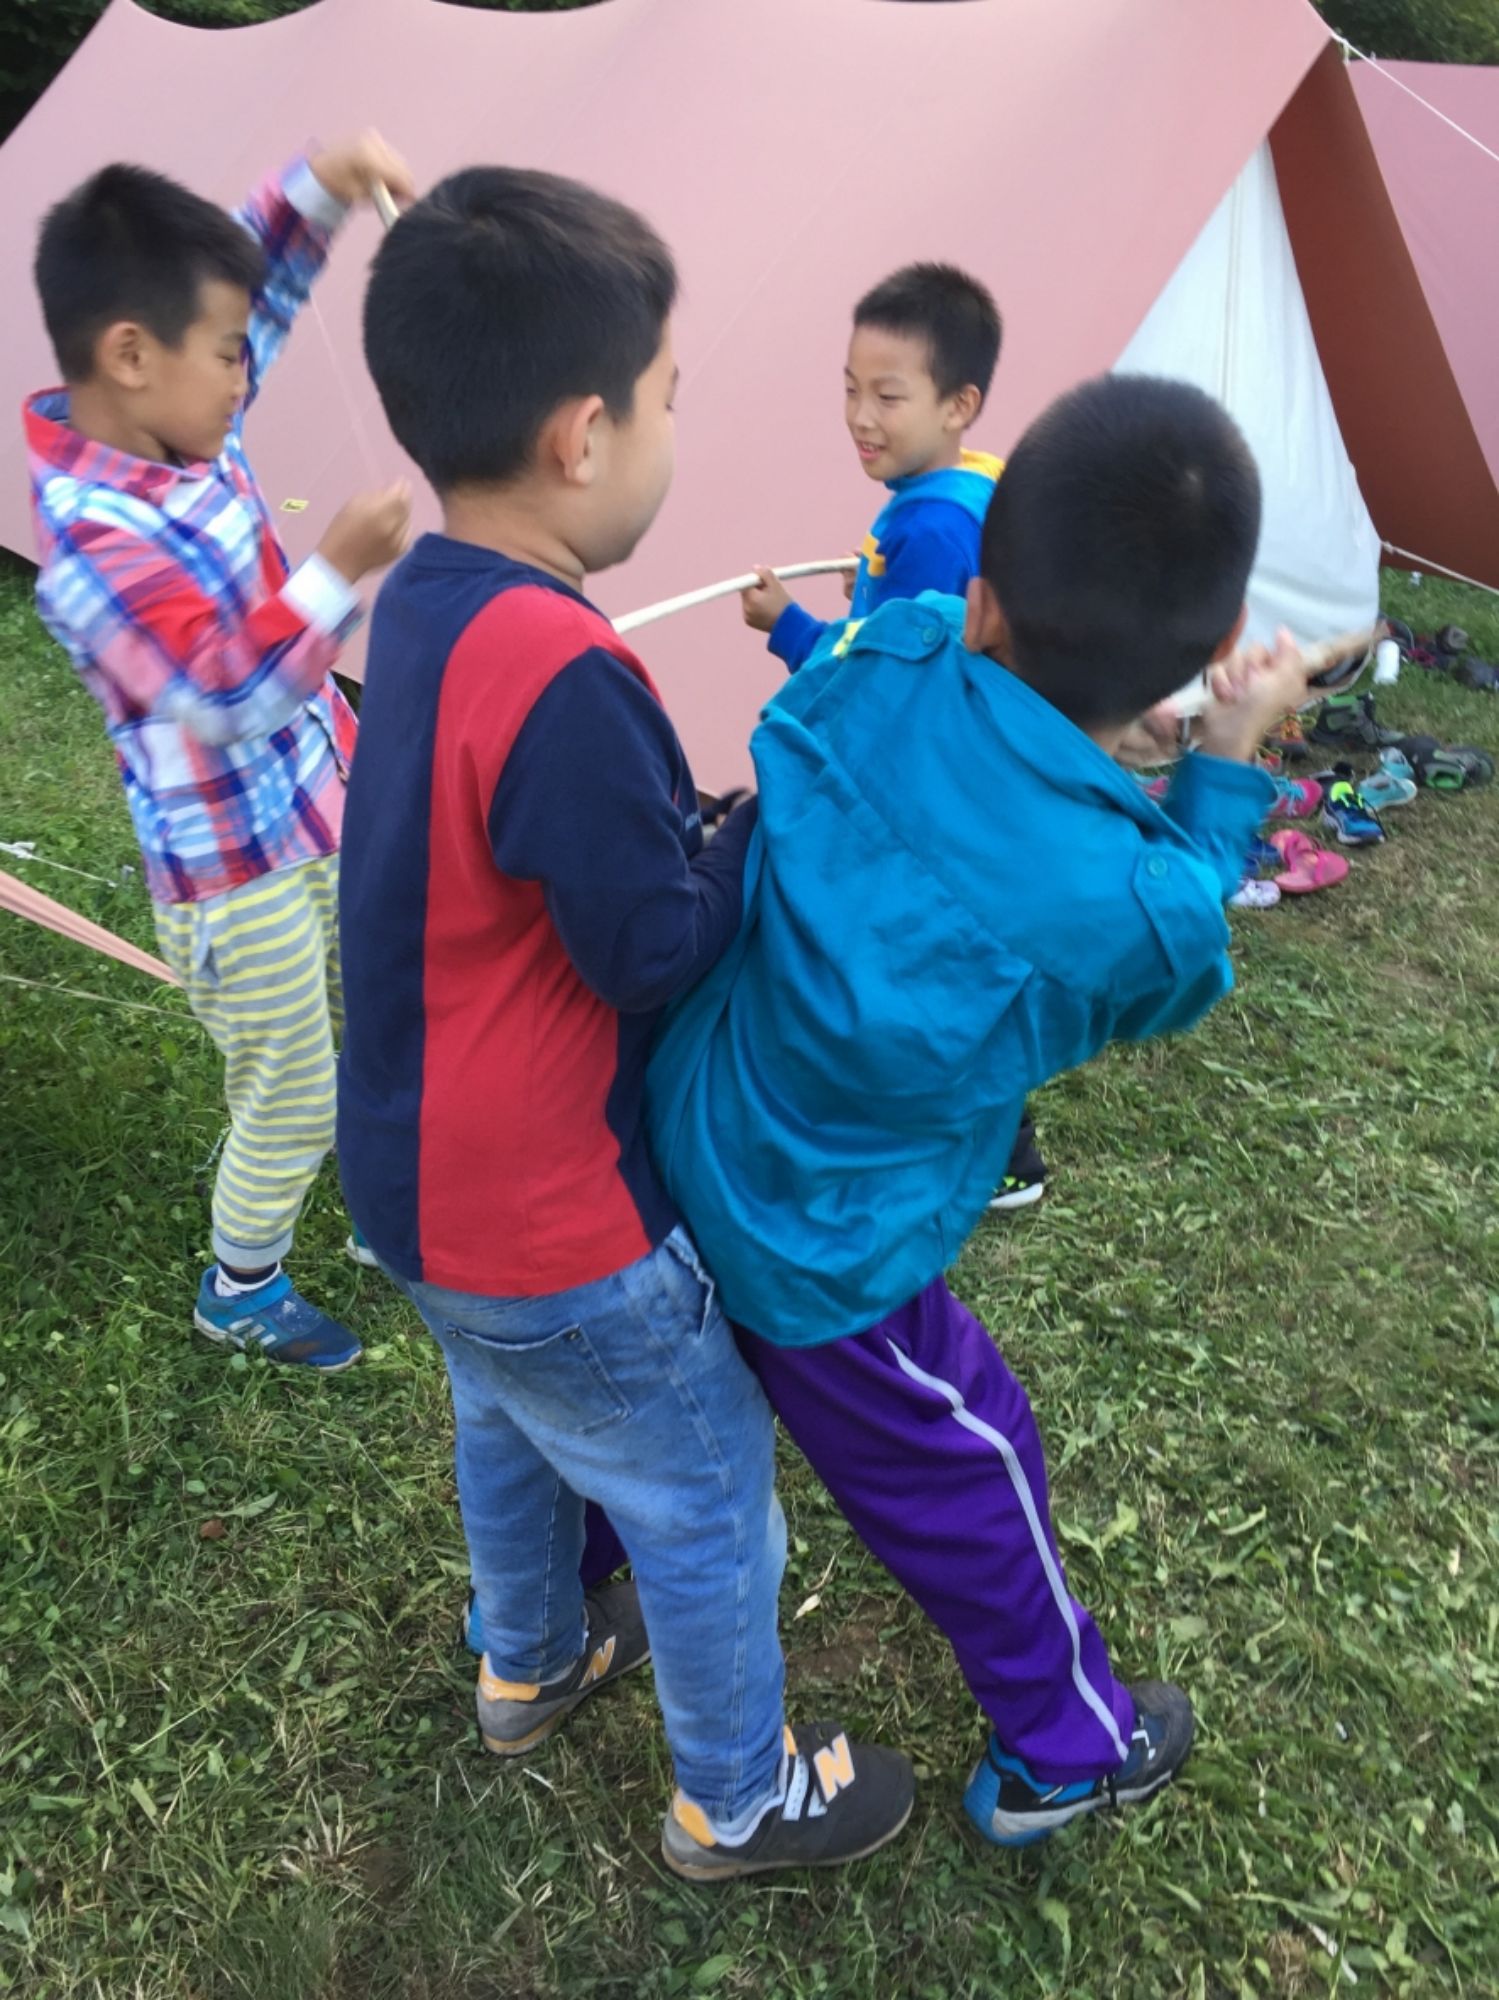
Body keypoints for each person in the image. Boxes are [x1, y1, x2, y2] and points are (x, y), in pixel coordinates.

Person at [338, 165, 914, 1881]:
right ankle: (735, 1799)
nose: (675, 432)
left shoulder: (424, 602)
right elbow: (649, 947)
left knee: (505, 1420)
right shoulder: (566, 671)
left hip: (414, 1191)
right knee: (700, 1483)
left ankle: (524, 1661)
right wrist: (749, 827)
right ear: (582, 436)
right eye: (667, 399)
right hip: (553, 1220)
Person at [647, 374, 1311, 1846]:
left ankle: (563, 1598)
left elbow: (860, 684)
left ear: (986, 596)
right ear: (1197, 659)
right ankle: (1065, 1749)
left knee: (650, 1408)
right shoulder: (1130, 901)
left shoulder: (887, 647)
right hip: (818, 1248)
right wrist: (1220, 760)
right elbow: (1181, 947)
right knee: (971, 1451)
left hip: (679, 1129)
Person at [27, 135, 416, 1371]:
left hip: (315, 803)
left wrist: (326, 181)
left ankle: (384, 1211)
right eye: (229, 354)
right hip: (229, 877)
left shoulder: (179, 420)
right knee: (291, 1088)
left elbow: (261, 284)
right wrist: (336, 568)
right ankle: (240, 1287)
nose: (249, 370)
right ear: (131, 356)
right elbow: (218, 694)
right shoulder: (91, 543)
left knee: (378, 1006)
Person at [740, 261, 1047, 1210]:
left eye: (886, 396)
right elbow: (924, 614)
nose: (859, 417)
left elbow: (882, 677)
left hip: (925, 785)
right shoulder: (968, 483)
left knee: (921, 963)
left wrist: (790, 627)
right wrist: (872, 585)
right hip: (970, 770)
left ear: (959, 404)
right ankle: (988, 1142)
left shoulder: (930, 528)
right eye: (848, 390)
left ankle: (988, 1151)